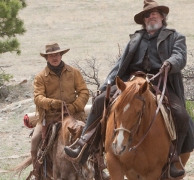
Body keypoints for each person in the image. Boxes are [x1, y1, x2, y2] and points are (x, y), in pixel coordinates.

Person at [64, 0, 194, 179]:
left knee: (181, 114)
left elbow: (180, 55)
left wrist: (170, 63)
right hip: (131, 80)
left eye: (155, 13)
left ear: (163, 16)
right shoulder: (136, 38)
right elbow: (120, 64)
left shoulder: (175, 37)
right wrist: (106, 85)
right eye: (147, 14)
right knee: (100, 101)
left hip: (159, 82)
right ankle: (85, 143)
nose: (151, 16)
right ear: (144, 20)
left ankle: (173, 157)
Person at [30, 42, 89, 179]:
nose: (54, 57)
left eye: (56, 54)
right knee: (35, 141)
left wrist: (74, 106)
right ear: (47, 58)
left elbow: (84, 92)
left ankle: (98, 167)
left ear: (61, 55)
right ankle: (37, 172)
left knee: (91, 137)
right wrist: (52, 103)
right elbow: (38, 97)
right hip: (50, 116)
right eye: (51, 55)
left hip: (74, 115)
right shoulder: (40, 77)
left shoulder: (74, 72)